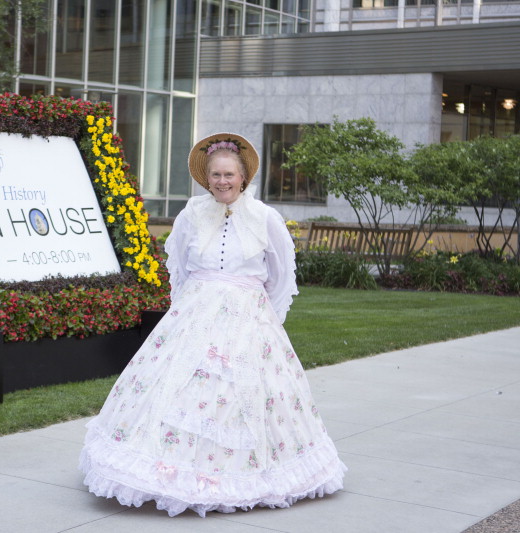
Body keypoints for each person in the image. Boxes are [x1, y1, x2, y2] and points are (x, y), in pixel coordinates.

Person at [79, 133, 347, 517]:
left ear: (243, 177)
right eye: (215, 175)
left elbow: (282, 277)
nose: (222, 182)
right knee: (175, 387)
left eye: (229, 175)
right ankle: (166, 469)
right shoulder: (190, 214)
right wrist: (191, 311)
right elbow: (181, 272)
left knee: (245, 395)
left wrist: (260, 319)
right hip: (195, 313)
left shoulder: (266, 218)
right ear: (207, 178)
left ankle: (247, 474)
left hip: (248, 316)